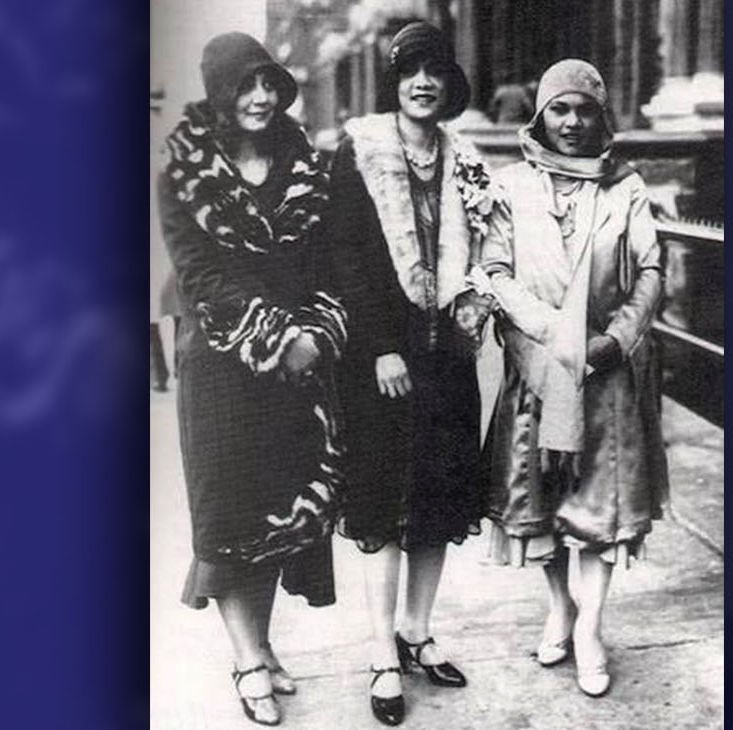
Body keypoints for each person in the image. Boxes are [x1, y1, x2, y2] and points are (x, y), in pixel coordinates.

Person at [157, 32, 347, 726]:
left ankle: (261, 646)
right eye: (246, 86)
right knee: (228, 512)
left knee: (283, 512)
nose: (261, 98)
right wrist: (277, 335)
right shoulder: (182, 175)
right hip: (220, 361)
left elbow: (328, 265)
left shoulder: (311, 168)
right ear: (219, 93)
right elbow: (200, 276)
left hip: (297, 368)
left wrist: (316, 334)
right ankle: (245, 660)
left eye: (269, 84)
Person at [479, 59, 669, 698]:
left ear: (601, 116)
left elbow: (649, 270)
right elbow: (495, 270)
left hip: (605, 371)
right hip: (537, 368)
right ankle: (559, 605)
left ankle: (590, 627)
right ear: (540, 115)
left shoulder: (626, 187)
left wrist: (613, 341)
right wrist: (548, 335)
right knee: (541, 503)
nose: (572, 122)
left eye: (584, 110)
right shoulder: (511, 187)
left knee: (597, 508)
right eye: (559, 109)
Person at [323, 21, 495, 727]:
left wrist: (478, 295)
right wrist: (377, 348)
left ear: (450, 83)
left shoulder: (466, 157)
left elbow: (490, 243)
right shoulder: (359, 152)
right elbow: (344, 259)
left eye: (434, 71)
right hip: (383, 363)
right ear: (393, 83)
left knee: (438, 500)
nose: (423, 83)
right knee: (385, 506)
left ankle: (417, 632)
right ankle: (381, 656)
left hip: (448, 359)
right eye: (409, 72)